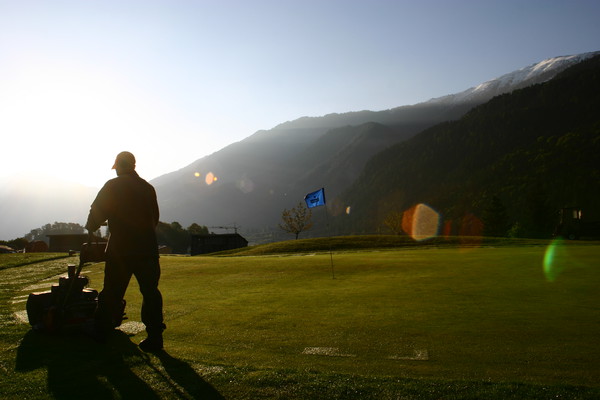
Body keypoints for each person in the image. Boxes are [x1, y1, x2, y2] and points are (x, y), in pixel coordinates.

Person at [85, 151, 165, 351]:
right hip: (147, 249)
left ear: (119, 166)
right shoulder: (148, 188)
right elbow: (154, 219)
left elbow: (97, 211)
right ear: (133, 166)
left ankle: (101, 331)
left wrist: (91, 227)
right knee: (150, 293)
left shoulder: (113, 186)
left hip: (121, 249)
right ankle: (155, 337)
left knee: (111, 292)